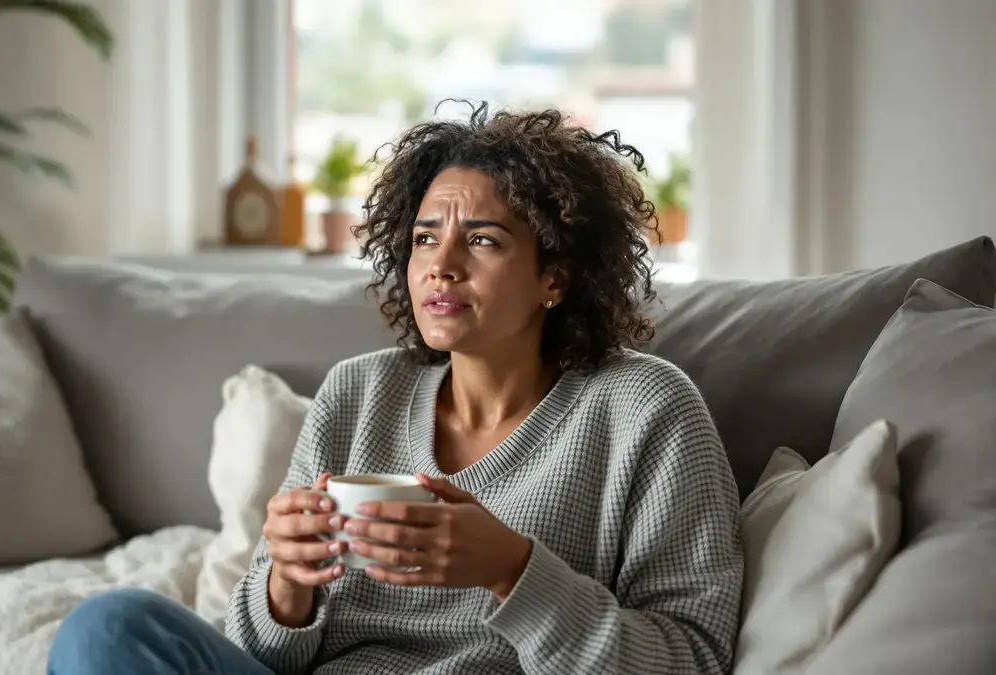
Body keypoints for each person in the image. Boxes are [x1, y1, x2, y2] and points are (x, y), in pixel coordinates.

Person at [47, 103, 744, 675]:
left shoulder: (646, 409)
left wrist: (513, 569)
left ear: (554, 278)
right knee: (109, 626)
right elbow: (260, 655)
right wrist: (286, 583)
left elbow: (693, 657)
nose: (439, 266)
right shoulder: (358, 393)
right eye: (422, 238)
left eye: (483, 241)